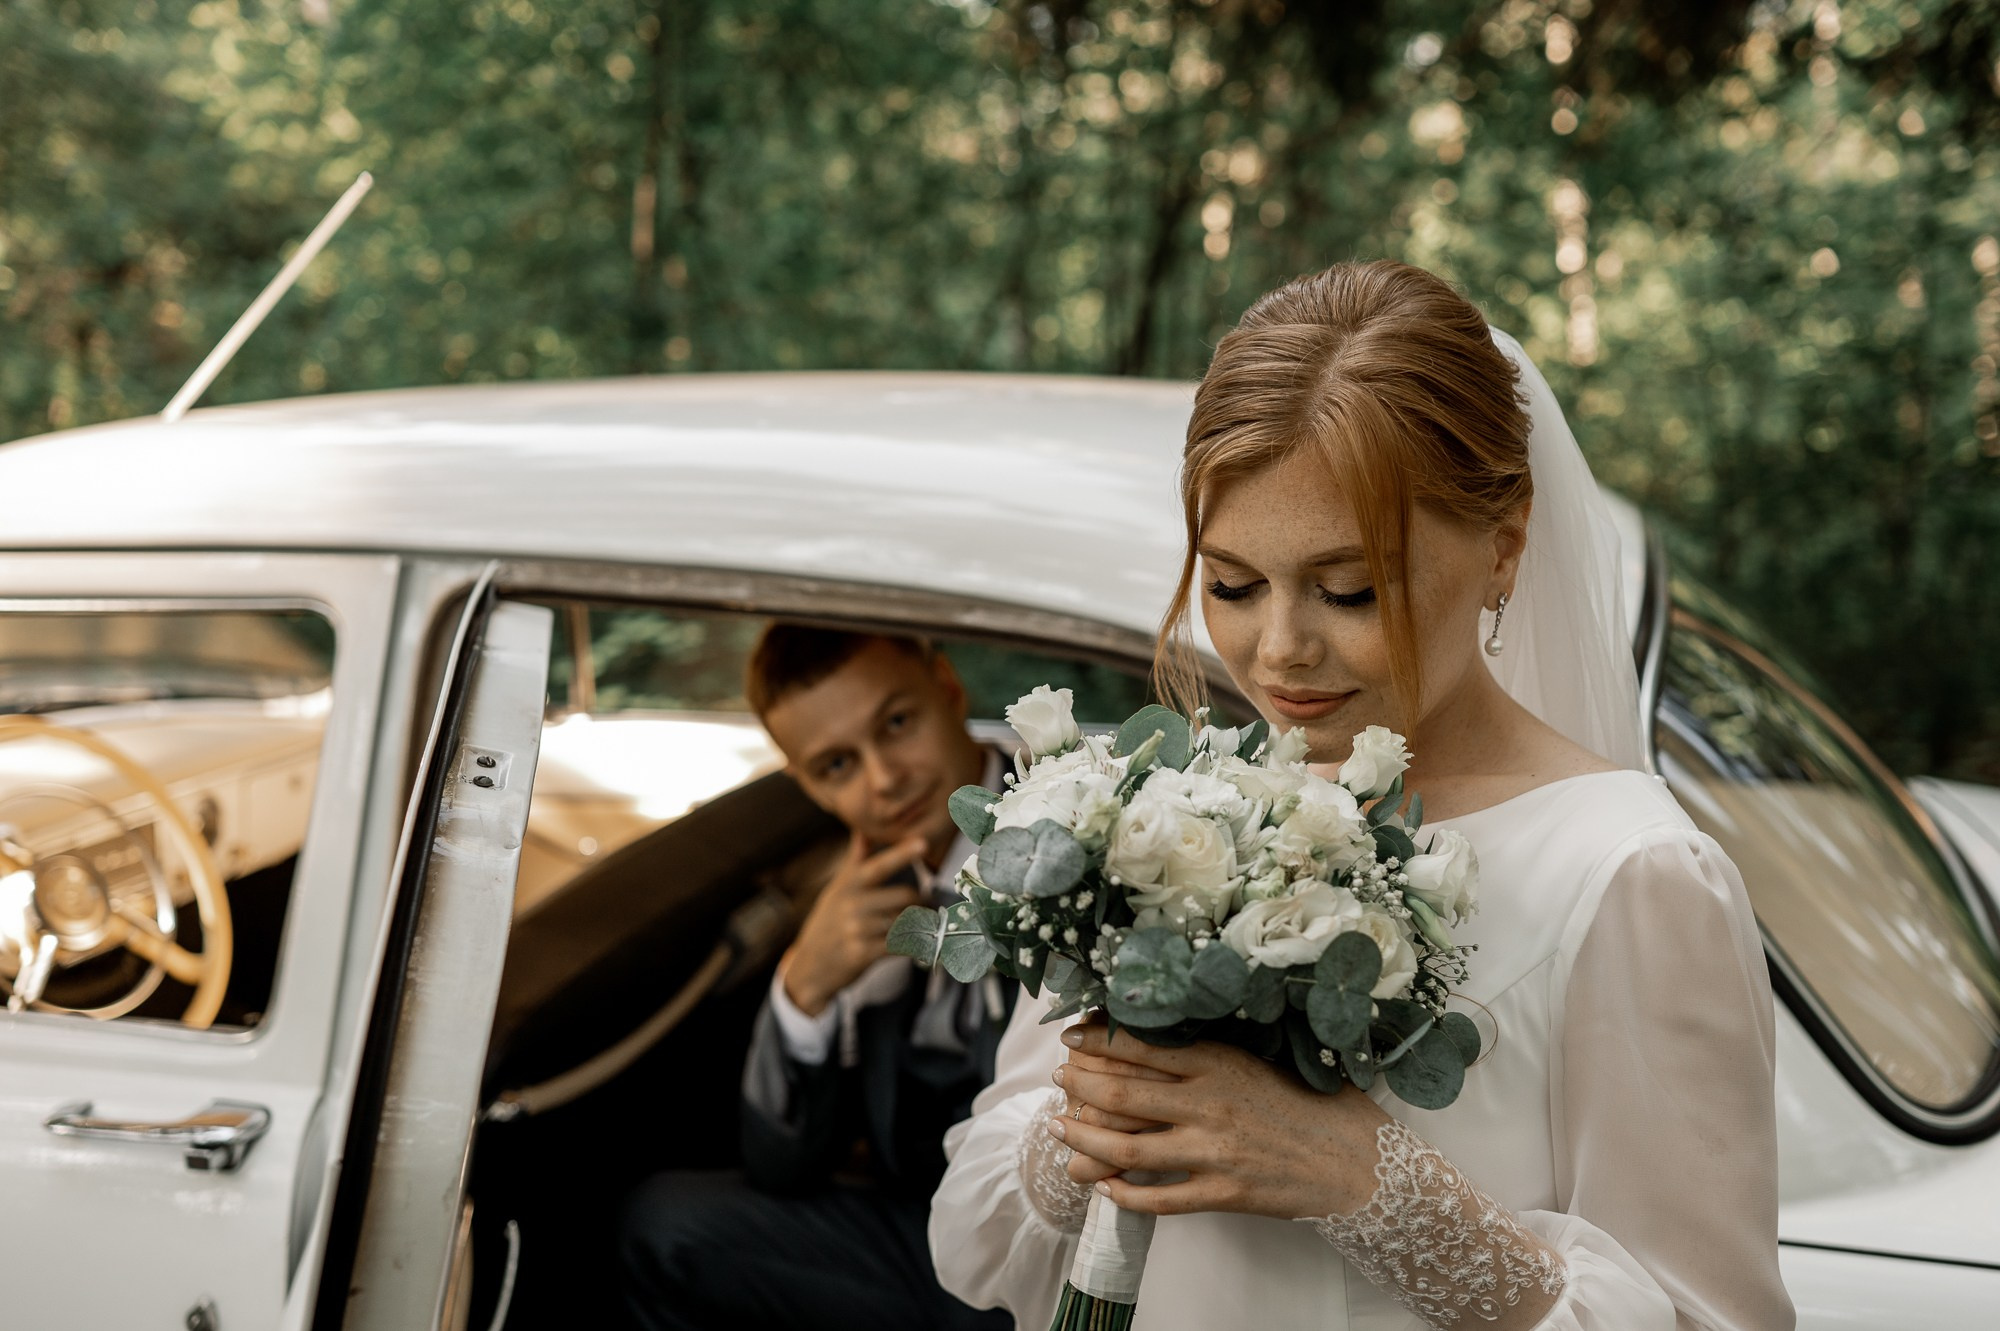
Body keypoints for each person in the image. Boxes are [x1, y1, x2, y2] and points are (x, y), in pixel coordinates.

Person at [927, 261, 1796, 1330]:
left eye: (1348, 589)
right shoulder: (1161, 822)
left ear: (1502, 546)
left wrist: (1371, 1186)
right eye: (1232, 584)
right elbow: (970, 1237)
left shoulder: (1631, 872)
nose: (1279, 649)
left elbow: (1708, 1318)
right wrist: (1088, 1130)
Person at [619, 627, 1014, 1331]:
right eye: (837, 764)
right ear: (805, 782)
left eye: (896, 723)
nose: (883, 778)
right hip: (918, 1218)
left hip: (1035, 1257)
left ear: (949, 689)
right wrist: (807, 983)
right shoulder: (853, 884)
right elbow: (780, 1164)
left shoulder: (1071, 826)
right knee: (665, 1220)